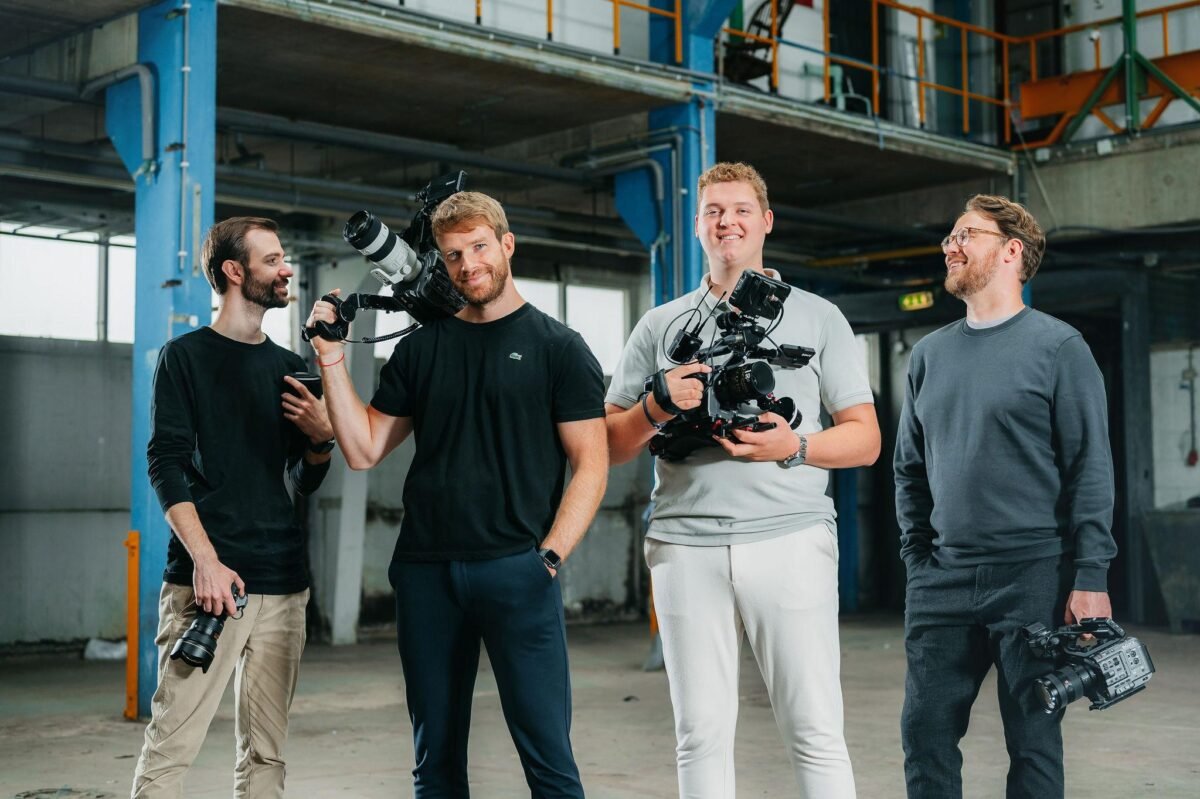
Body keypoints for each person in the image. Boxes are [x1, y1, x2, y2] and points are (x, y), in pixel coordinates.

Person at [305, 191, 607, 797]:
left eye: (479, 247)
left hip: (518, 570)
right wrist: (331, 357)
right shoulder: (422, 349)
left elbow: (591, 465)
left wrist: (548, 558)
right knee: (434, 760)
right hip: (427, 574)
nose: (469, 264)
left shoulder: (559, 348)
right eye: (453, 255)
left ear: (506, 245)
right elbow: (363, 449)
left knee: (549, 758)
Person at [605, 162, 877, 798]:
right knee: (699, 734)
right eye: (714, 212)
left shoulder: (819, 317)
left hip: (791, 539)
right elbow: (610, 445)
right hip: (683, 545)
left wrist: (796, 445)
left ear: (766, 222)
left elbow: (865, 439)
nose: (727, 222)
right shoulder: (661, 325)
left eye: (741, 210)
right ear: (697, 226)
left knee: (814, 729)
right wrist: (657, 406)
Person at [894, 195, 1118, 798]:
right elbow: (909, 470)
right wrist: (918, 561)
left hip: (1034, 577)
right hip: (942, 578)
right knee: (925, 735)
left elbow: (1090, 468)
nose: (951, 245)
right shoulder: (929, 355)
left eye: (966, 234)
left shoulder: (1060, 348)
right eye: (950, 236)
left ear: (1011, 250)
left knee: (1034, 740)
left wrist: (1090, 575)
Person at [132, 217, 335, 798]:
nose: (286, 269)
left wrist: (321, 439)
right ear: (234, 271)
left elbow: (302, 480)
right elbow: (165, 463)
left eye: (284, 258)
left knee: (267, 756)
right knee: (170, 749)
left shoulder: (290, 367)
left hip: (283, 584)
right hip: (209, 586)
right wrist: (206, 561)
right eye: (272, 260)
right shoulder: (185, 358)